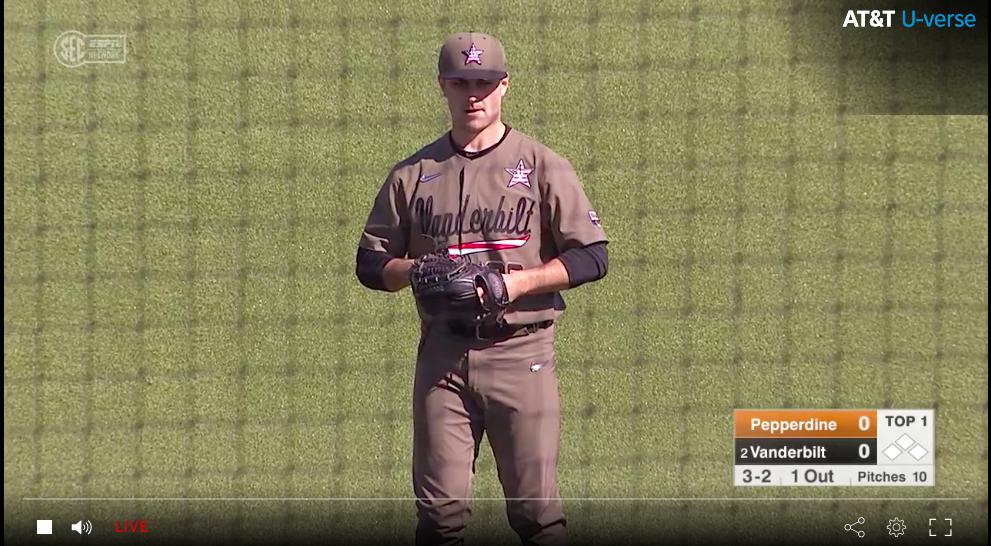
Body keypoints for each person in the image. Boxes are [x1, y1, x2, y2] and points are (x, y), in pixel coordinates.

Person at [355, 31, 609, 546]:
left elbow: (592, 256)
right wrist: (414, 272)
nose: (473, 94)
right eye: (461, 82)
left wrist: (514, 284)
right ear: (442, 87)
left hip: (522, 354)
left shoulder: (542, 165)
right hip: (442, 360)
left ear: (504, 86)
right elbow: (369, 262)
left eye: (484, 83)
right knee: (438, 520)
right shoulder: (414, 173)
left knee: (537, 516)